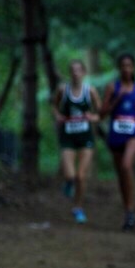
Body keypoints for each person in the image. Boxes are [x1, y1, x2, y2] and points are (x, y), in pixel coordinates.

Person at [51, 60, 102, 224]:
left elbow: (101, 112)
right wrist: (58, 115)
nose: (75, 73)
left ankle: (78, 207)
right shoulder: (62, 90)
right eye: (72, 70)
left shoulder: (90, 91)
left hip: (85, 137)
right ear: (69, 73)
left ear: (84, 72)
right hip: (68, 137)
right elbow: (54, 105)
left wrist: (93, 117)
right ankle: (68, 182)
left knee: (81, 176)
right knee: (70, 175)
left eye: (79, 70)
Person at [101, 53, 135, 231]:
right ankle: (128, 211)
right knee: (121, 174)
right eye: (123, 66)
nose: (126, 69)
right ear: (119, 68)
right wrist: (116, 99)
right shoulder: (112, 87)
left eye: (129, 66)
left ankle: (131, 209)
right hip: (117, 133)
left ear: (134, 68)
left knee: (127, 166)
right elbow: (102, 112)